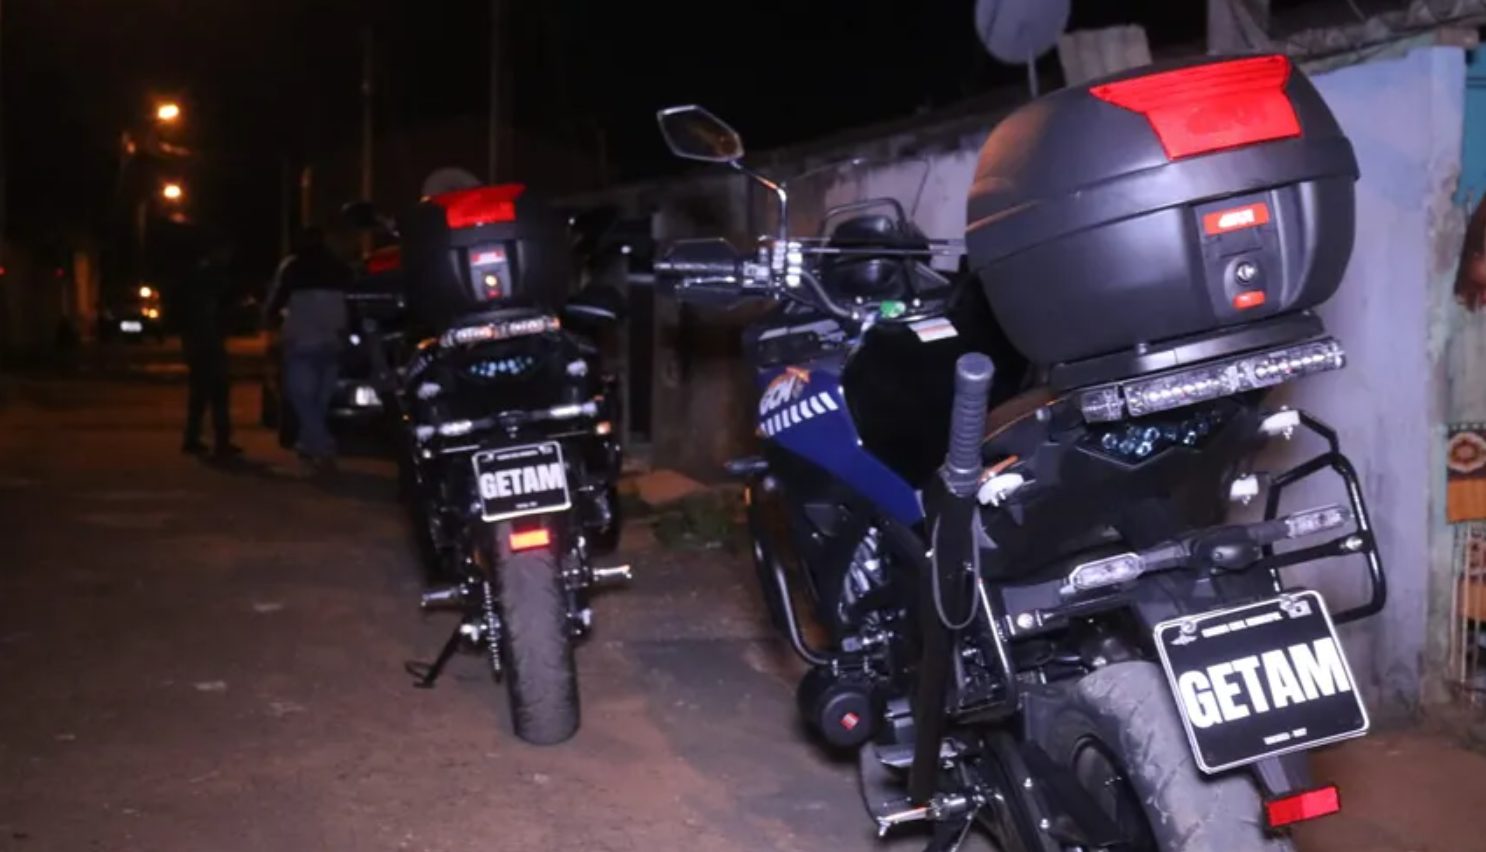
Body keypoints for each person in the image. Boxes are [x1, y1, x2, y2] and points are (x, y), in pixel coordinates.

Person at [265, 227, 352, 470]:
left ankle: (322, 444)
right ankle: (308, 443)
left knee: (300, 395)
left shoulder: (293, 267)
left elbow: (277, 300)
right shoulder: (339, 267)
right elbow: (352, 297)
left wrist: (270, 319)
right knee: (320, 398)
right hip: (332, 338)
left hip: (302, 337)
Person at [175, 241, 241, 458]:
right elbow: (216, 309)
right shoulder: (213, 278)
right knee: (218, 393)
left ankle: (193, 438)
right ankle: (220, 441)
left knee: (199, 394)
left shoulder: (196, 277)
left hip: (198, 342)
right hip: (208, 343)